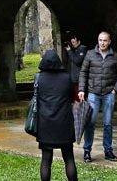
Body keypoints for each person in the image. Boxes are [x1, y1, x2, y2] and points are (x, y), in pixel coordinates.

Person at [77, 31, 117, 162]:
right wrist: (81, 89)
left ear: (109, 42)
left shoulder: (115, 56)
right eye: (100, 40)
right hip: (93, 93)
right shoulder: (90, 54)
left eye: (105, 40)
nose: (102, 43)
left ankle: (108, 151)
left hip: (109, 93)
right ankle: (87, 151)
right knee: (90, 122)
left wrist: (115, 90)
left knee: (108, 123)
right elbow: (83, 72)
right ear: (98, 41)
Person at [34, 49, 79, 181]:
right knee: (69, 158)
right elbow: (72, 97)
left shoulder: (39, 78)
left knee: (46, 160)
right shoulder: (67, 78)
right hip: (64, 122)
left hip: (45, 123)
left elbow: (36, 97)